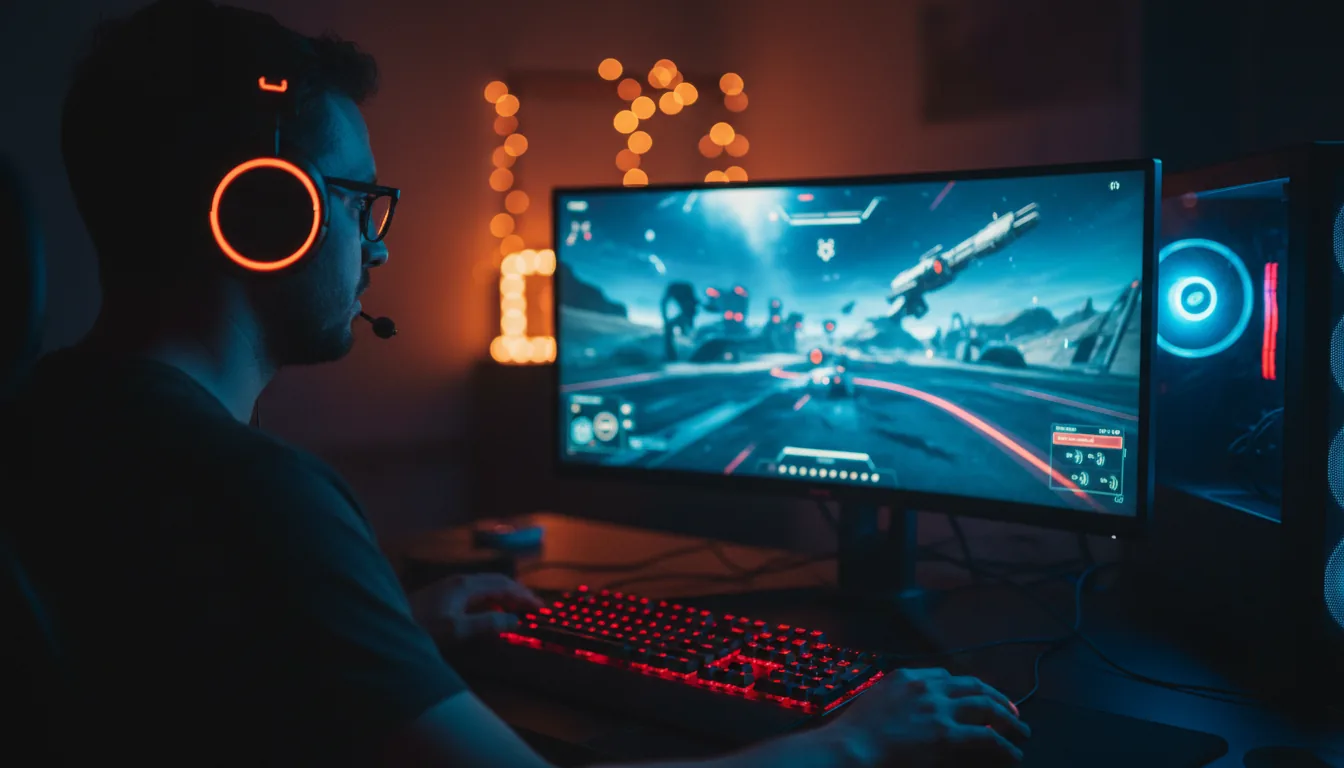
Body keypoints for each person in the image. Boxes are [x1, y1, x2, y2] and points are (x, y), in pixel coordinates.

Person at [9, 0, 1030, 765]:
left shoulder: (44, 425)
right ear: (266, 216)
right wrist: (855, 740)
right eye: (358, 199)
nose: (376, 247)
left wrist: (389, 638)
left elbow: (188, 679)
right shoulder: (256, 495)